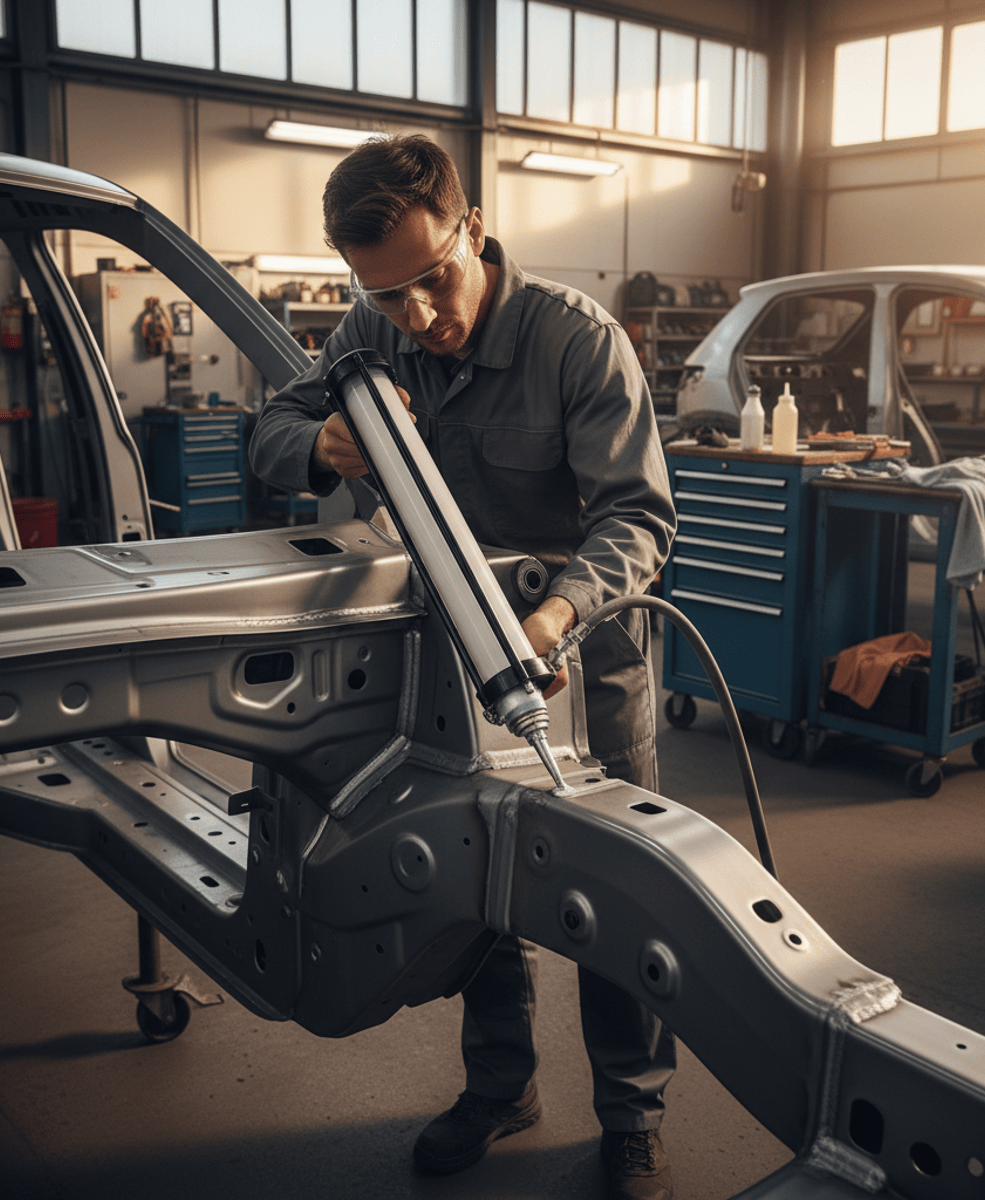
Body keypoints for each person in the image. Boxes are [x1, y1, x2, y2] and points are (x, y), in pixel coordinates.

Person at [250, 134, 677, 1200]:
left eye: (432, 280)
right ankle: (502, 1088)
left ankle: (632, 1114)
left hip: (580, 666)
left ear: (472, 228)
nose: (417, 319)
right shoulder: (372, 325)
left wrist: (550, 624)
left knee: (613, 898)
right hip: (446, 670)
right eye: (385, 297)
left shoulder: (573, 339)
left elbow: (638, 517)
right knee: (480, 884)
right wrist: (321, 449)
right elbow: (271, 424)